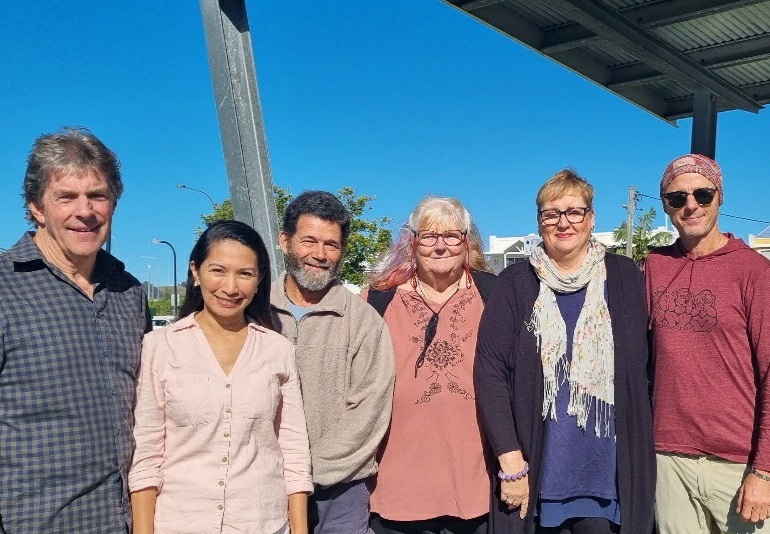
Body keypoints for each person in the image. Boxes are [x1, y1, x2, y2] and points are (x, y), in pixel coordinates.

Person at [475, 169, 655, 534]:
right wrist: (511, 460)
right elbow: (490, 371)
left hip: (607, 478)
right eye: (551, 213)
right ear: (539, 222)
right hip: (538, 475)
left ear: (591, 218)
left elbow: (648, 367)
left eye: (574, 211)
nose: (563, 222)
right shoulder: (515, 283)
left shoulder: (625, 277)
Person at [0, 127, 150, 532]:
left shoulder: (129, 292)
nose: (85, 211)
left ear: (114, 202)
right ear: (36, 206)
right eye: (66, 196)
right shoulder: (5, 287)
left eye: (97, 195)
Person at [129, 220, 312, 534]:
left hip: (263, 523)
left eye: (245, 273)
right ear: (196, 272)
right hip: (181, 522)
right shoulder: (160, 347)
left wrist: (299, 528)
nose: (230, 287)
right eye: (218, 270)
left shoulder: (277, 349)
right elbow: (146, 455)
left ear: (259, 281)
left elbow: (293, 450)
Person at [647, 154, 770, 533]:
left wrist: (764, 472)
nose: (690, 205)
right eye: (676, 197)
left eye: (702, 194)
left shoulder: (754, 271)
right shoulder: (654, 266)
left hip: (738, 464)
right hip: (668, 460)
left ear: (720, 197)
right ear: (666, 205)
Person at [364, 196, 496, 534]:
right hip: (398, 484)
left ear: (467, 243)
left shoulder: (494, 295)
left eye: (452, 236)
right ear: (413, 243)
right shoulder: (378, 299)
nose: (440, 247)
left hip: (475, 484)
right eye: (428, 237)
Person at [270, 190, 395, 534]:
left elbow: (368, 413)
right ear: (285, 241)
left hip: (339, 495)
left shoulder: (365, 323)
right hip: (261, 486)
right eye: (309, 241)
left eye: (331, 244)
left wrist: (306, 472)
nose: (320, 255)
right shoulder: (253, 312)